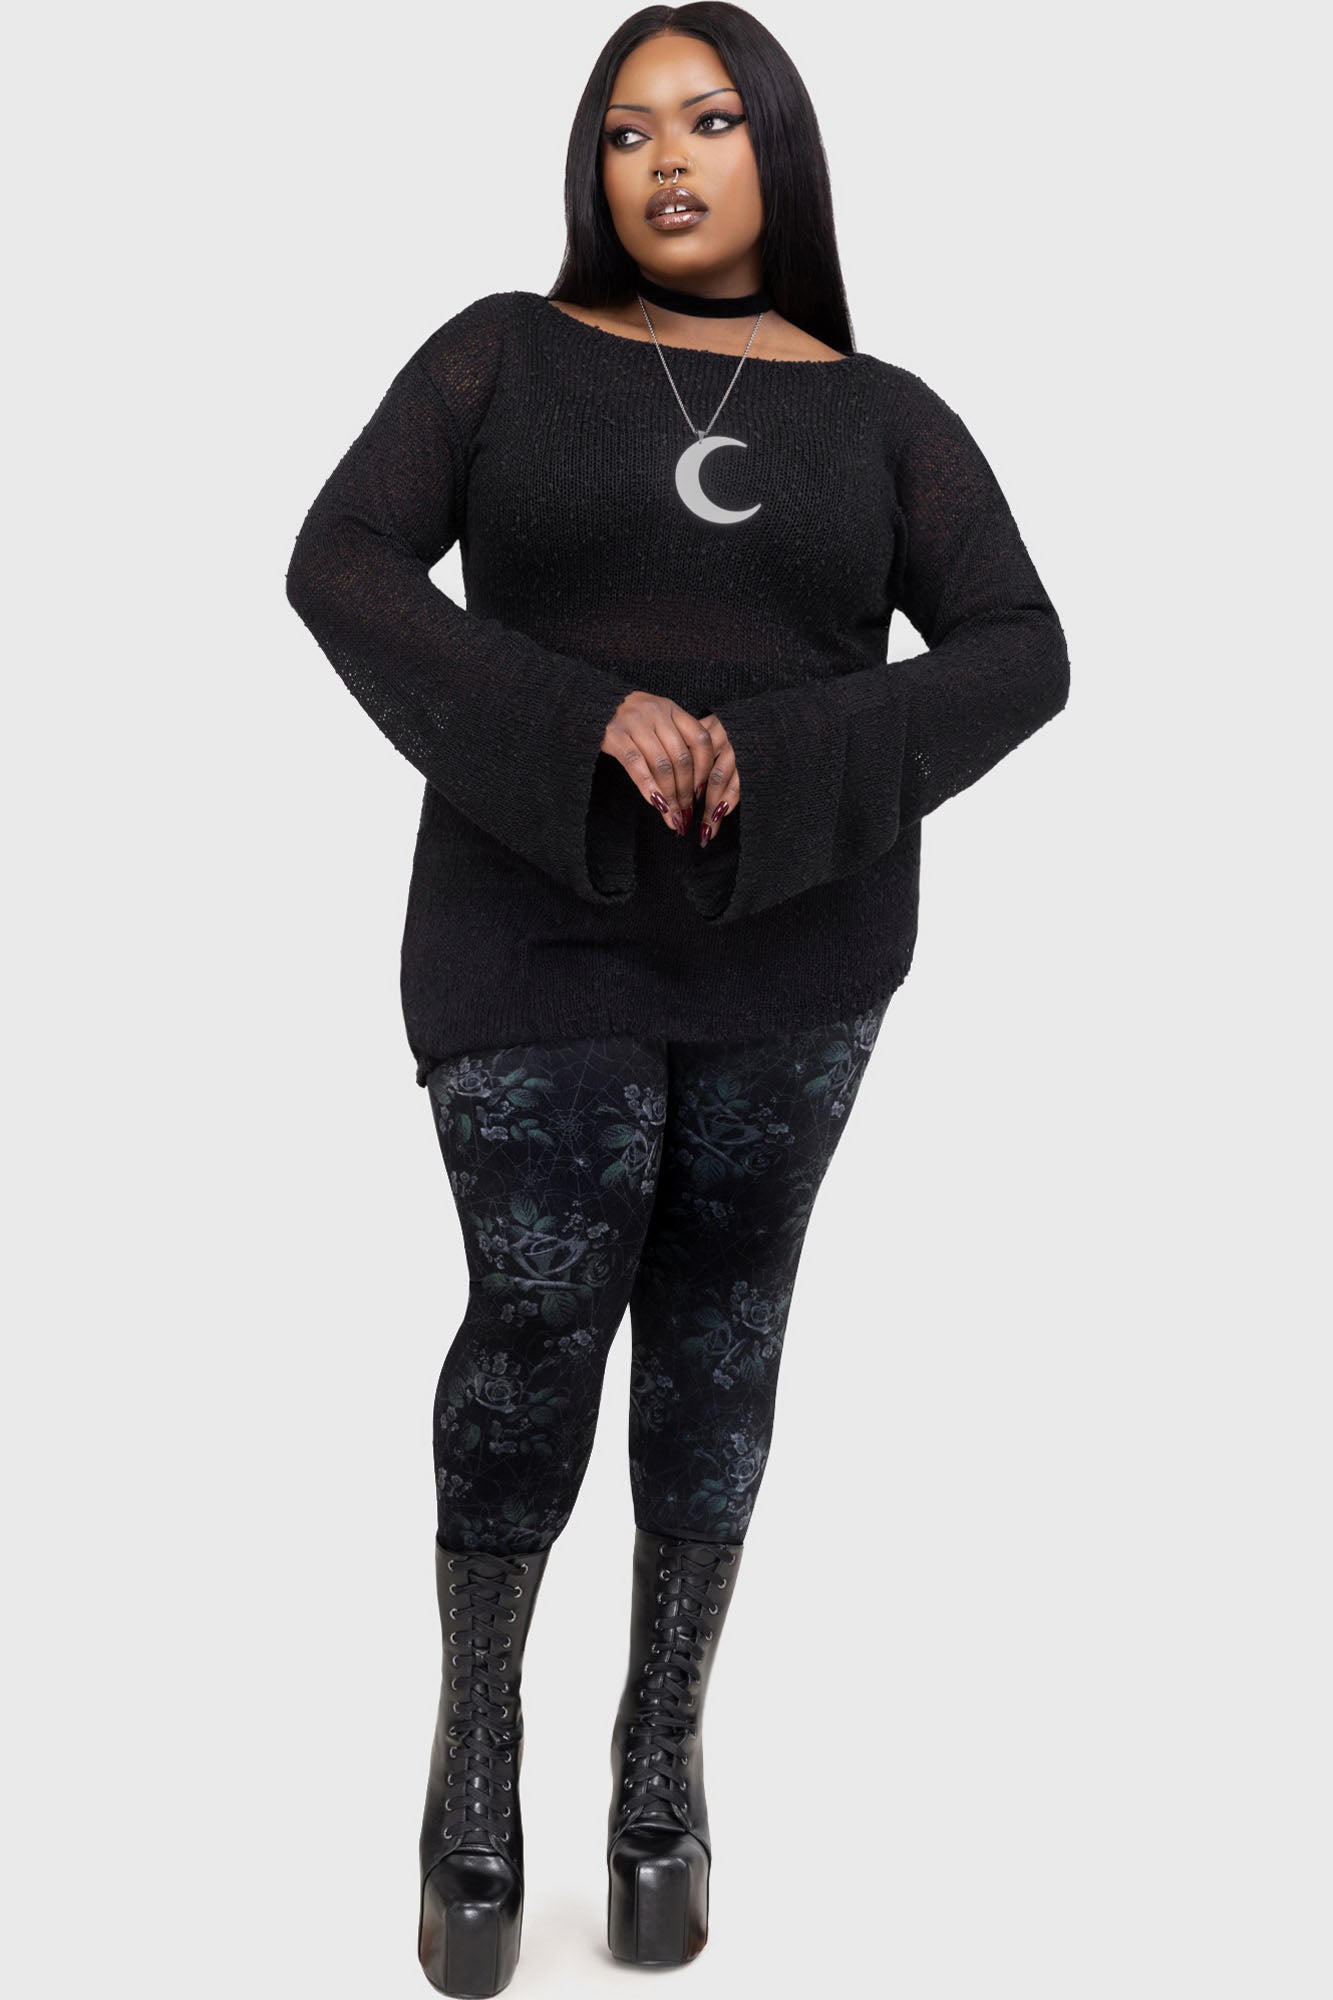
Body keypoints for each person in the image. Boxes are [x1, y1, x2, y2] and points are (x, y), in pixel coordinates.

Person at [284, 6, 1070, 1993]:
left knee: (722, 1323)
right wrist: (578, 712)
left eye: (709, 120)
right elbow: (340, 563)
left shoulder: (885, 415)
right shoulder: (498, 355)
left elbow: (1019, 650)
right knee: (540, 1310)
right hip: (527, 912)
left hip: (793, 932)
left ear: (775, 153)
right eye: (627, 129)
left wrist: (783, 749)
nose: (666, 158)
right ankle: (477, 1754)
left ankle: (660, 1764)